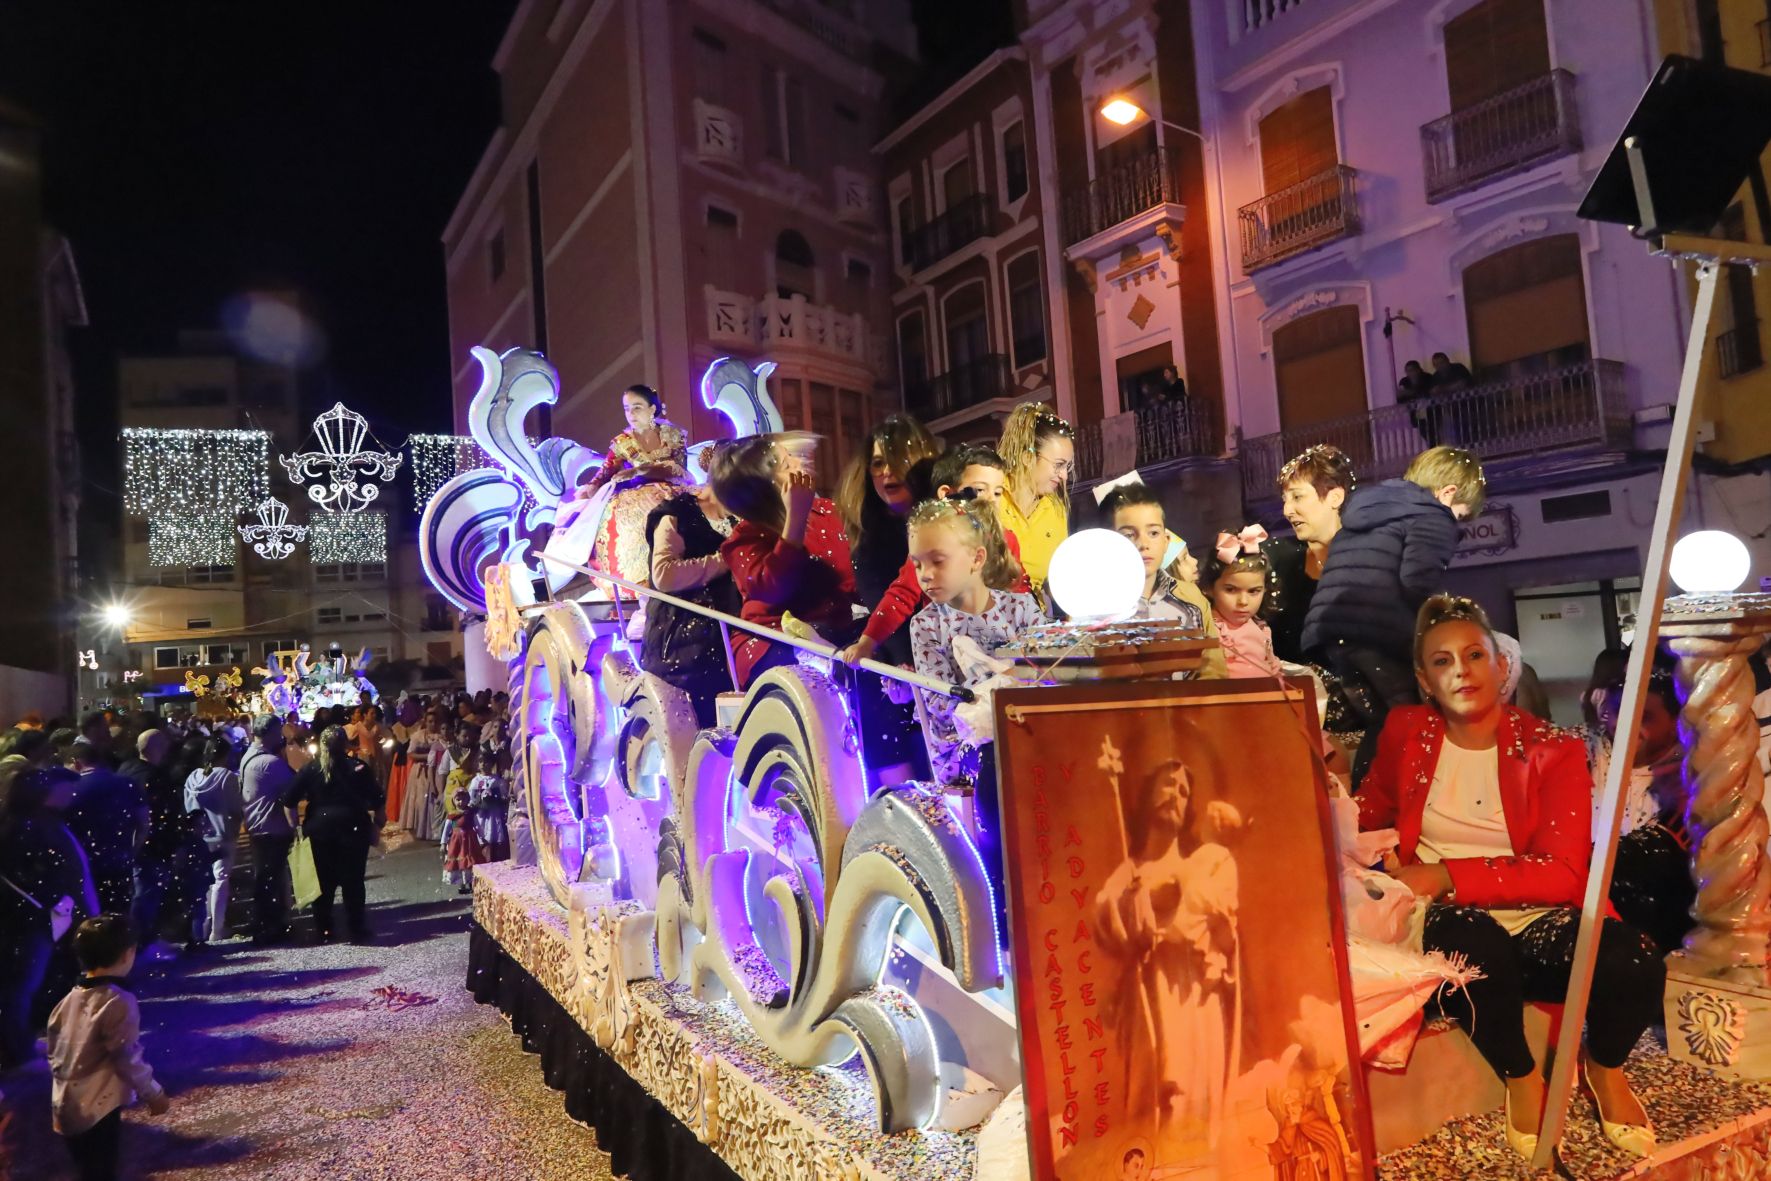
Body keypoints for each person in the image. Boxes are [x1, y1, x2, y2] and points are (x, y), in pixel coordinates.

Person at [1359, 595, 1662, 1160]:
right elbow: (1368, 811)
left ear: (1501, 666)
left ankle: (1606, 1067)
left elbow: (1563, 874)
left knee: (1633, 959)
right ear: (1425, 680)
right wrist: (1365, 848)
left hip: (1535, 915)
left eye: (1474, 655)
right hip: (1448, 921)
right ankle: (1522, 1076)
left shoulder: (1551, 749)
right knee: (1473, 942)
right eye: (1442, 662)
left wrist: (1446, 872)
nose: (1461, 672)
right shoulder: (1407, 731)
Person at [1302, 446, 1484, 781]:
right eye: (1460, 515)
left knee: (1382, 724)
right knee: (1411, 720)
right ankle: (1396, 807)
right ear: (1448, 493)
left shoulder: (1370, 508)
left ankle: (1368, 807)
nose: (1455, 522)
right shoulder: (1433, 515)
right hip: (1378, 634)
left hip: (1332, 632)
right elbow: (1417, 581)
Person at [905, 498, 1045, 934]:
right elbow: (945, 706)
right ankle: (1004, 915)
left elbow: (1045, 673)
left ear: (977, 557)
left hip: (1027, 731)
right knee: (995, 785)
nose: (925, 575)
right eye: (917, 564)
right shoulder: (927, 625)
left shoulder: (1022, 610)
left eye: (937, 561)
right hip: (972, 749)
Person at [1092, 754, 1241, 1147]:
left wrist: (1175, 900)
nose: (1176, 794)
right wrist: (1133, 900)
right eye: (1168, 784)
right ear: (1147, 795)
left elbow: (1219, 926)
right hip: (1147, 999)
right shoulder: (1129, 872)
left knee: (1191, 1093)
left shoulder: (1206, 862)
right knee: (1153, 1091)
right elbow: (1107, 924)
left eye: (1184, 790)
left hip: (1193, 996)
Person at [839, 444, 1029, 670]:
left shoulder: (1006, 540)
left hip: (1001, 651)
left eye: (997, 492)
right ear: (947, 494)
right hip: (947, 656)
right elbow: (902, 595)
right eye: (979, 490)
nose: (990, 499)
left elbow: (1020, 590)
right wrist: (867, 642)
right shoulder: (930, 541)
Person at [837, 415, 942, 783]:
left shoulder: (943, 521)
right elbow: (887, 596)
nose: (886, 472)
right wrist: (902, 659)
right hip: (895, 649)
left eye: (897, 459)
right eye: (878, 462)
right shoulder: (868, 531)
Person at [711, 435, 857, 690]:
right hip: (773, 641)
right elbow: (775, 586)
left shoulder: (829, 512)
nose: (800, 464)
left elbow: (856, 574)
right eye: (787, 464)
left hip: (836, 631)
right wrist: (795, 519)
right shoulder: (743, 539)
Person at [47, 915, 169, 1181]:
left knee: (86, 1169)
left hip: (65, 1104)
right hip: (98, 1108)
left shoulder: (66, 1001)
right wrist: (152, 1092)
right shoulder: (118, 1002)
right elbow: (127, 1056)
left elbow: (54, 1051)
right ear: (128, 954)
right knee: (102, 1169)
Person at [0, 763, 97, 1071]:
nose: (70, 793)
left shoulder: (38, 822)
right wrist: (58, 901)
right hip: (32, 918)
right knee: (20, 985)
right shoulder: (26, 827)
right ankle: (17, 1050)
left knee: (26, 983)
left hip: (42, 916)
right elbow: (35, 873)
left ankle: (22, 1043)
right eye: (62, 788)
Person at [1594, 665, 1695, 956]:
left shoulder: (1692, 773)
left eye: (1646, 717)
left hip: (1659, 921)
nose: (1627, 726)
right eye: (1619, 713)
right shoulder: (1583, 753)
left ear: (1676, 719)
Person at [570, 383, 692, 590]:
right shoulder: (623, 442)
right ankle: (637, 581)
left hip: (672, 490)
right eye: (627, 408)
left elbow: (677, 468)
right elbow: (606, 470)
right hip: (636, 496)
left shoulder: (671, 434)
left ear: (652, 409)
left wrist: (638, 470)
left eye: (637, 407)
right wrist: (591, 487)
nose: (631, 413)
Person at [1100, 483, 1227, 679]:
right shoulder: (1096, 605)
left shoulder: (1192, 598)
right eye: (1128, 535)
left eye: (1153, 533)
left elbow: (1212, 669)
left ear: (1166, 540)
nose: (1143, 544)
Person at [641, 482, 741, 727]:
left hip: (731, 628)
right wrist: (722, 562)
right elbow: (664, 575)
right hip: (682, 635)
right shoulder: (676, 515)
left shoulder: (741, 516)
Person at [284, 726, 383, 943]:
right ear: (345, 744)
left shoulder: (310, 769)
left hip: (320, 830)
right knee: (353, 881)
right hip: (353, 827)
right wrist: (377, 825)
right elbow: (377, 799)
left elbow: (289, 800)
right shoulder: (357, 768)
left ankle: (325, 929)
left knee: (323, 882)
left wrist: (296, 828)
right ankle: (356, 927)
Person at [1263, 445, 1356, 665]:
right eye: (1285, 499)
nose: (1287, 510)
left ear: (1335, 497)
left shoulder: (1370, 560)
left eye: (1297, 497)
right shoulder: (1276, 558)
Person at [117, 729, 189, 961]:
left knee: (141, 893)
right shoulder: (156, 777)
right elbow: (162, 814)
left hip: (132, 843)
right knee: (147, 895)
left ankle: (138, 942)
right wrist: (175, 842)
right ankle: (142, 944)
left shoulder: (127, 769)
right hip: (154, 845)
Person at [62, 740, 147, 919]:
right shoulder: (128, 784)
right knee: (119, 915)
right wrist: (132, 851)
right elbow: (144, 823)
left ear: (76, 762)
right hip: (120, 862)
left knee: (91, 919)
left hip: (86, 866)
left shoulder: (73, 790)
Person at [996, 402, 1075, 596]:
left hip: (1033, 620)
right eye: (1058, 465)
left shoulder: (1056, 512)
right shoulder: (991, 496)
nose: (1064, 475)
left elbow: (1059, 582)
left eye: (1068, 467)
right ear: (1027, 457)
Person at [239, 716, 296, 946]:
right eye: (278, 732)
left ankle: (266, 924)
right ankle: (270, 927)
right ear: (271, 733)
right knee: (270, 880)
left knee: (264, 879)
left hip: (257, 826)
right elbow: (294, 784)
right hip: (271, 827)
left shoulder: (248, 757)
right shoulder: (270, 762)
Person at [1200, 527, 1283, 680]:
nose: (1243, 602)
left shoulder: (1260, 627)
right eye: (1231, 590)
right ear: (1209, 588)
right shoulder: (1208, 630)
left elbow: (1273, 668)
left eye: (1253, 591)